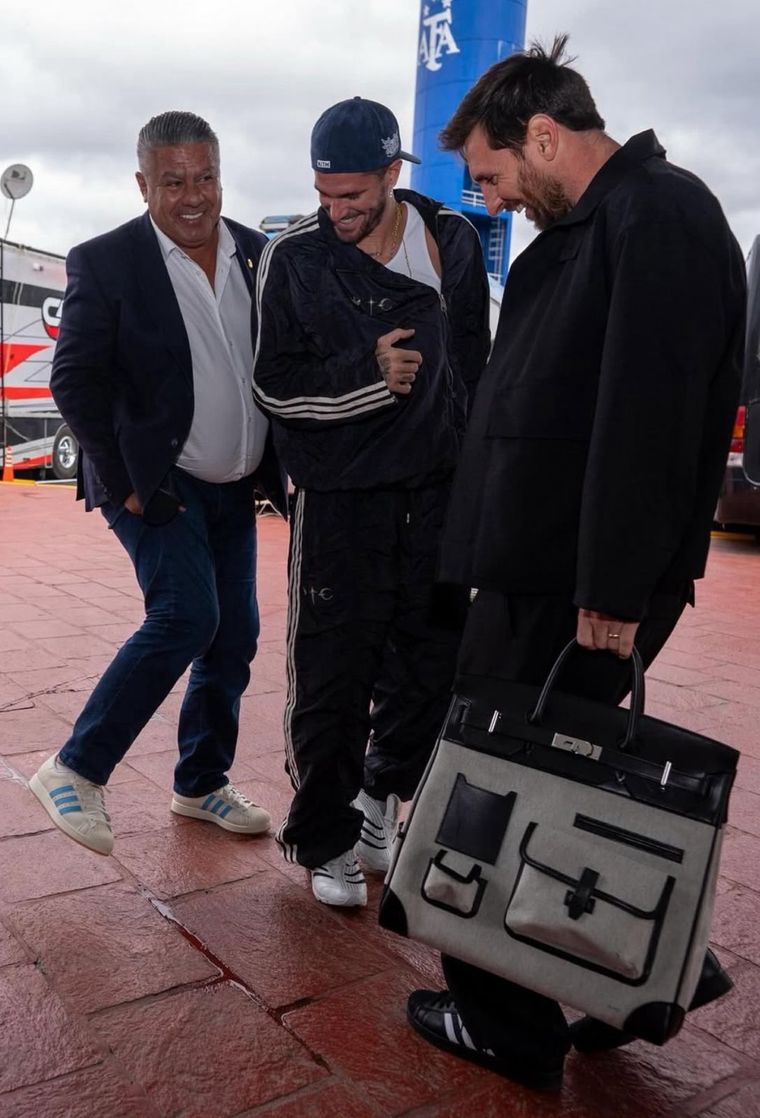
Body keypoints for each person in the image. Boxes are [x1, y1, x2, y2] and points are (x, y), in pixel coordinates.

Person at [405, 37, 746, 1090]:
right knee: (565, 774)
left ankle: (506, 1022)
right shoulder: (603, 226)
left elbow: (649, 417)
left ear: (544, 136)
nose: (492, 198)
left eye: (493, 174)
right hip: (543, 566)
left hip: (574, 580)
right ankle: (643, 969)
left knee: (495, 782)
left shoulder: (657, 215)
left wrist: (610, 585)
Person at [252, 97, 490, 907]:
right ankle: (325, 839)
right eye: (324, 194)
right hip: (342, 500)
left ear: (392, 174)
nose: (337, 211)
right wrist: (367, 376)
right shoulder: (293, 258)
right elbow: (273, 386)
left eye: (352, 194)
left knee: (432, 670)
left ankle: (378, 798)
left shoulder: (452, 239)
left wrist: (478, 481)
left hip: (437, 497)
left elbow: (474, 370)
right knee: (333, 674)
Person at [29, 111, 286, 856]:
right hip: (154, 479)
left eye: (205, 177)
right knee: (186, 615)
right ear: (144, 184)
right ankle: (76, 767)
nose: (193, 196)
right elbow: (75, 382)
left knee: (235, 634)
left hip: (235, 481)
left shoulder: (259, 254)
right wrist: (126, 484)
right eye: (173, 182)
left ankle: (200, 782)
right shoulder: (107, 261)